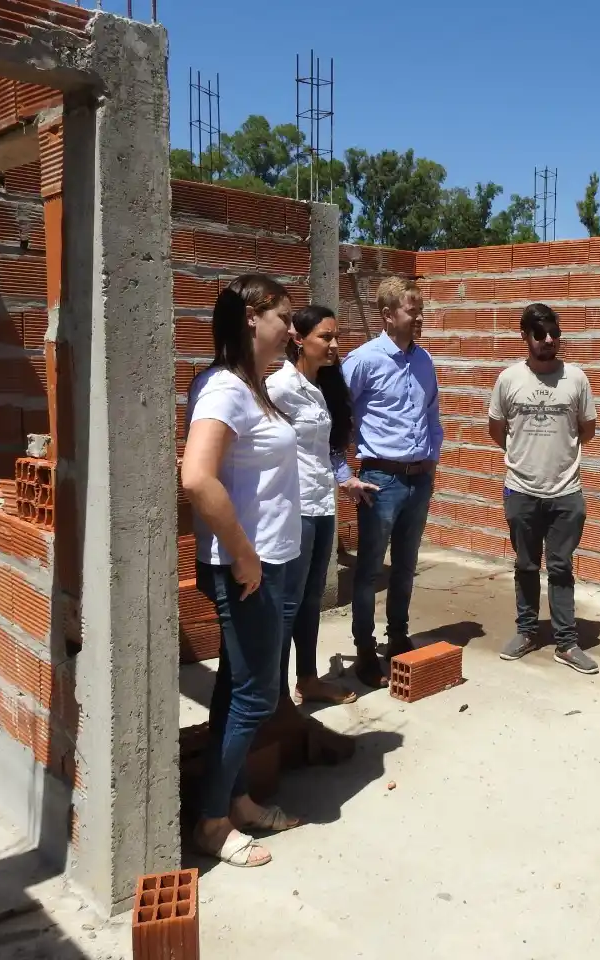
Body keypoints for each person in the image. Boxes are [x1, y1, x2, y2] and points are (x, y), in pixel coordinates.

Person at [181, 274, 303, 868]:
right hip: (247, 568)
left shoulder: (255, 387)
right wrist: (244, 552)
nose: (292, 329)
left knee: (237, 686)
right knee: (256, 696)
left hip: (268, 560)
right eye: (285, 316)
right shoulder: (224, 389)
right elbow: (196, 478)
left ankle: (237, 801)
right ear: (252, 317)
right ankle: (210, 822)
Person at [267, 305, 378, 706]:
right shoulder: (279, 388)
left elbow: (327, 450)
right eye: (325, 337)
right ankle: (276, 693)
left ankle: (308, 679)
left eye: (336, 337)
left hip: (321, 505)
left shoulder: (326, 386)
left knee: (312, 598)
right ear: (299, 339)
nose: (334, 345)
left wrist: (345, 479)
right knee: (289, 601)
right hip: (291, 509)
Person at [341, 276, 443, 688]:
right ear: (387, 314)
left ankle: (397, 637)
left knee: (405, 567)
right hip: (380, 479)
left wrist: (432, 460)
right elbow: (335, 416)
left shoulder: (424, 361)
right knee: (368, 571)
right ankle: (365, 648)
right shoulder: (363, 361)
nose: (417, 317)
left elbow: (432, 416)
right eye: (409, 310)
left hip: (419, 480)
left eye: (419, 310)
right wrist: (343, 473)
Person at [488, 303, 599, 674]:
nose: (549, 340)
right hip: (520, 489)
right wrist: (523, 459)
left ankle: (566, 643)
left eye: (554, 333)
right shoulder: (508, 380)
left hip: (566, 491)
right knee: (525, 564)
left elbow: (587, 429)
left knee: (561, 566)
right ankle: (527, 631)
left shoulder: (576, 379)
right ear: (524, 336)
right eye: (540, 334)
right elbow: (496, 430)